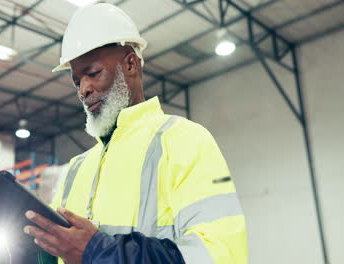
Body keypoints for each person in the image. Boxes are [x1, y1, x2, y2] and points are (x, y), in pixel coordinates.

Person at [23, 3, 248, 263]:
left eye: (93, 73)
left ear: (130, 64)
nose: (83, 90)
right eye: (76, 81)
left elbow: (220, 253)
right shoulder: (76, 169)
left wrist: (100, 253)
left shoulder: (184, 140)